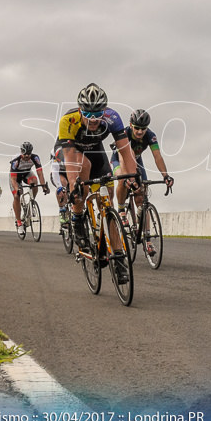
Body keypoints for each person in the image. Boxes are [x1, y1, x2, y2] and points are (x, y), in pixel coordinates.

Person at [59, 83, 140, 284]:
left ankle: (118, 257)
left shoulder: (112, 118)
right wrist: (73, 184)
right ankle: (78, 219)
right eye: (88, 114)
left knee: (108, 200)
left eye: (98, 114)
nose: (93, 119)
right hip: (74, 152)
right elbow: (69, 158)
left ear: (104, 110)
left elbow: (125, 151)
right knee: (80, 184)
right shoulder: (68, 121)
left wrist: (132, 177)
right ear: (80, 110)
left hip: (96, 151)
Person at [110, 108, 174, 213]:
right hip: (118, 159)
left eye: (143, 128)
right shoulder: (124, 134)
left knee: (141, 194)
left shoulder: (150, 135)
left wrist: (165, 175)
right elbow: (123, 158)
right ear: (131, 125)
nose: (140, 131)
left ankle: (145, 227)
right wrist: (128, 178)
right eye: (137, 128)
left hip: (136, 161)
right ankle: (121, 209)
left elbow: (158, 157)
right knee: (122, 181)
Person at [9, 142, 49, 236]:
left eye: (29, 153)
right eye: (25, 153)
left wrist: (43, 185)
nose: (27, 156)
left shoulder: (35, 158)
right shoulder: (16, 160)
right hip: (15, 177)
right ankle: (19, 223)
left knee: (35, 182)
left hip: (27, 174)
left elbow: (40, 173)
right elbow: (13, 180)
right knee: (16, 196)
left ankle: (31, 201)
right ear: (21, 152)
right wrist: (17, 189)